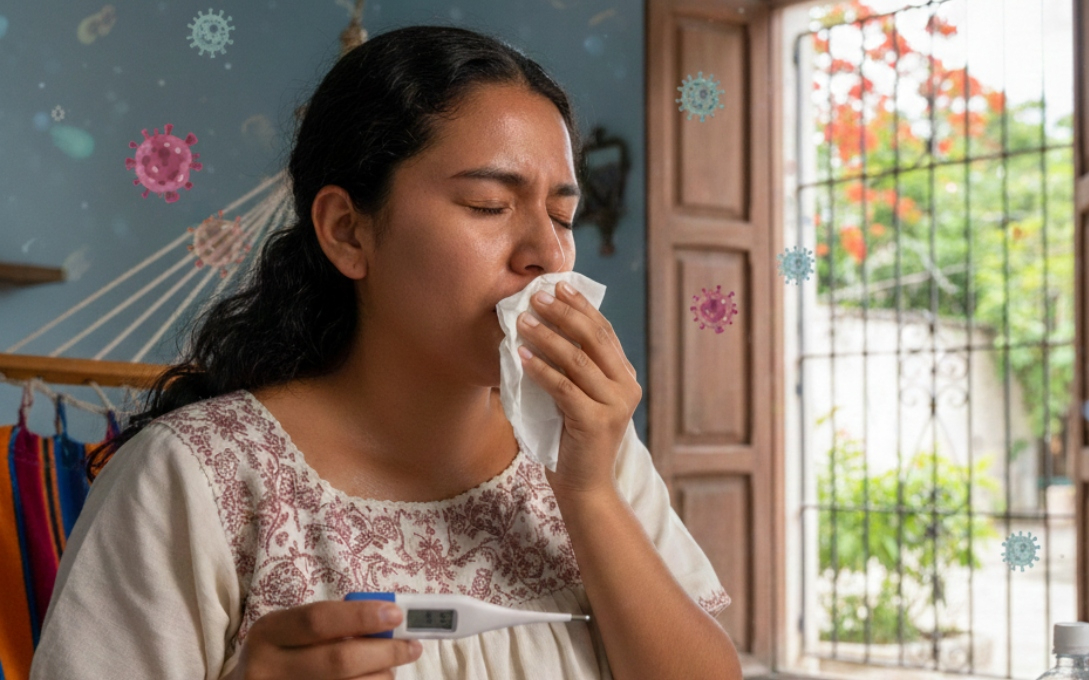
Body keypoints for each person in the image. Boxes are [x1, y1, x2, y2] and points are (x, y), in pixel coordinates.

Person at [28, 24, 738, 680]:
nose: (548, 255)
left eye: (563, 215)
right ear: (347, 231)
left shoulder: (588, 446)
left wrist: (588, 494)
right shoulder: (192, 480)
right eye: (489, 206)